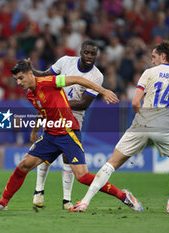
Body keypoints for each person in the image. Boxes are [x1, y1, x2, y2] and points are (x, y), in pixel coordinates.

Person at [0, 60, 142, 211]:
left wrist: (103, 91)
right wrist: (35, 130)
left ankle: (123, 195)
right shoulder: (30, 94)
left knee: (83, 177)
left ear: (30, 74)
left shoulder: (50, 81)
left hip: (68, 133)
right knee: (23, 165)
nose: (19, 82)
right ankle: (2, 203)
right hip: (50, 135)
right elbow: (41, 111)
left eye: (21, 78)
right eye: (16, 79)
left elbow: (78, 79)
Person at [77, 40, 169, 213]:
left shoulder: (149, 73)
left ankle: (84, 202)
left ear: (163, 56)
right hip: (164, 128)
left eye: (154, 56)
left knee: (111, 163)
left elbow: (136, 102)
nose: (152, 60)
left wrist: (142, 120)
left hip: (140, 124)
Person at [29, 40, 104, 209]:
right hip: (53, 115)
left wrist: (58, 103)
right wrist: (30, 70)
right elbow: (45, 76)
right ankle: (39, 191)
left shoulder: (97, 76)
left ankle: (66, 200)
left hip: (74, 118)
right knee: (45, 152)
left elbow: (84, 104)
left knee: (67, 157)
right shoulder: (65, 62)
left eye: (93, 53)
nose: (89, 56)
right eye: (87, 52)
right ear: (81, 51)